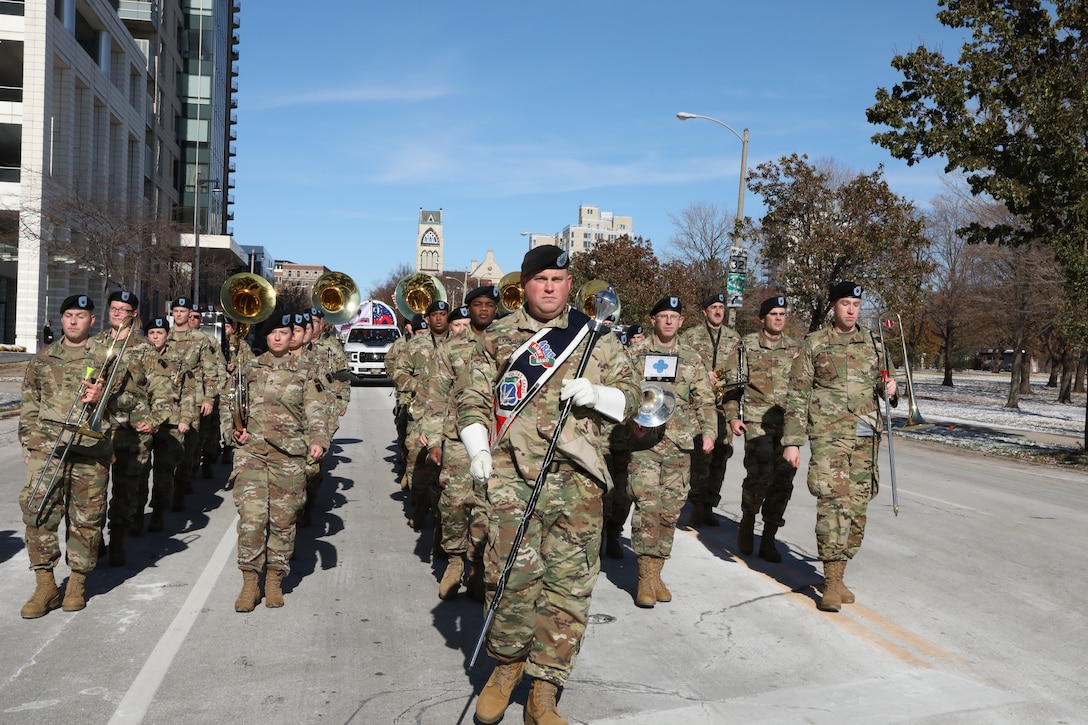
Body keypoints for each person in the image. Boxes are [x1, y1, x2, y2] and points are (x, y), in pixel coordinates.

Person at [457, 245, 638, 724]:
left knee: (568, 591)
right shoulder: (499, 335)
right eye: (541, 280)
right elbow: (472, 397)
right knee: (510, 581)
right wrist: (477, 448)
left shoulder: (595, 335)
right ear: (527, 283)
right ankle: (506, 669)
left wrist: (600, 394)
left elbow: (636, 395)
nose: (550, 288)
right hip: (513, 482)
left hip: (577, 485)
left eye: (559, 279)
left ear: (569, 282)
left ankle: (545, 690)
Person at [17, 295, 139, 617]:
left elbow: (132, 402)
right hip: (49, 448)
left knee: (87, 519)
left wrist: (106, 394)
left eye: (80, 316)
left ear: (93, 321)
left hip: (91, 449)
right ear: (61, 320)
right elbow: (29, 405)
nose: (73, 321)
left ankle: (76, 583)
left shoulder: (108, 357)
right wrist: (30, 446)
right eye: (68, 315)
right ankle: (45, 586)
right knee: (37, 512)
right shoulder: (43, 359)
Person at [782, 282, 898, 612]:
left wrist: (890, 388)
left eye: (856, 304)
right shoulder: (815, 343)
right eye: (845, 303)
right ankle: (830, 581)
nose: (851, 309)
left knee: (858, 508)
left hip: (865, 434)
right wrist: (793, 441)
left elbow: (882, 385)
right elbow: (797, 394)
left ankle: (841, 572)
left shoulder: (874, 344)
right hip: (828, 435)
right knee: (834, 504)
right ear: (833, 306)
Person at [222, 310, 329, 611]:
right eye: (272, 333)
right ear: (265, 337)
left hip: (289, 456)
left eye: (284, 332)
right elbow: (229, 404)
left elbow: (316, 409)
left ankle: (274, 580)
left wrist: (319, 440)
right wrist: (232, 431)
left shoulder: (305, 371)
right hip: (252, 453)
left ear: (292, 336)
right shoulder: (249, 368)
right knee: (253, 518)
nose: (279, 337)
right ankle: (249, 583)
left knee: (283, 522)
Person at [625, 296, 716, 607]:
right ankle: (644, 576)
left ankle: (657, 571)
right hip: (644, 444)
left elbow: (704, 399)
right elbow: (620, 392)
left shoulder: (692, 357)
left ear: (681, 322)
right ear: (653, 320)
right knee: (647, 507)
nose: (667, 321)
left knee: (670, 510)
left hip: (680, 443)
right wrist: (631, 421)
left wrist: (710, 432)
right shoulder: (635, 354)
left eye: (673, 317)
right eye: (662, 316)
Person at [416, 287, 498, 601]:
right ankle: (454, 561)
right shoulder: (450, 349)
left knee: (487, 507)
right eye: (478, 304)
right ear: (469, 308)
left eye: (490, 305)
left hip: (497, 437)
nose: (484, 310)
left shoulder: (506, 344)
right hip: (456, 438)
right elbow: (435, 397)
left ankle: (478, 566)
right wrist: (433, 440)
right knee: (453, 504)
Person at [91, 291, 168, 563]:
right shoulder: (95, 344)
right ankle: (95, 537)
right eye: (113, 308)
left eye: (123, 310)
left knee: (126, 489)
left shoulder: (144, 347)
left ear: (133, 315)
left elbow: (163, 388)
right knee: (93, 488)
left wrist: (155, 419)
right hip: (97, 428)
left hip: (133, 429)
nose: (116, 313)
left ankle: (119, 540)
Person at [724, 295, 801, 563]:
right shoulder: (745, 346)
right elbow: (732, 388)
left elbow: (804, 387)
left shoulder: (796, 349)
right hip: (758, 426)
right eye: (773, 314)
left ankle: (769, 537)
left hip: (788, 427)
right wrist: (733, 417)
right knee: (759, 478)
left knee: (783, 483)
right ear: (762, 318)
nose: (779, 318)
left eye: (782, 314)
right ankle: (747, 520)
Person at [679, 293, 742, 527]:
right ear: (704, 311)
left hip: (724, 405)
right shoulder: (690, 336)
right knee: (700, 456)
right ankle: (695, 503)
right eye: (713, 307)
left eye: (721, 307)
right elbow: (682, 365)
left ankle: (709, 505)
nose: (718, 311)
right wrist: (703, 374)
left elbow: (739, 370)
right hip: (698, 406)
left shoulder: (734, 338)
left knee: (721, 457)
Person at [393, 299, 451, 529]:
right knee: (416, 463)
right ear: (427, 319)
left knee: (443, 468)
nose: (439, 318)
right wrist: (416, 385)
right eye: (434, 315)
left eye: (443, 314)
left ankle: (440, 517)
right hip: (419, 412)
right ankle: (419, 505)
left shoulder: (458, 344)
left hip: (448, 414)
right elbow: (398, 372)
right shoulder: (415, 344)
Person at [138, 316, 198, 533]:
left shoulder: (178, 361)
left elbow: (189, 392)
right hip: (143, 422)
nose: (155, 337)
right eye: (152, 333)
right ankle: (136, 513)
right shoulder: (139, 359)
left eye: (159, 333)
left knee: (164, 472)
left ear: (168, 335)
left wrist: (185, 419)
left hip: (170, 424)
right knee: (140, 470)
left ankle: (158, 513)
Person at [167, 297, 221, 511]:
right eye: (176, 311)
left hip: (194, 399)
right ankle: (168, 488)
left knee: (189, 447)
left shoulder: (201, 339)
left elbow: (210, 371)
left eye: (184, 311)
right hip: (167, 399)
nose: (180, 315)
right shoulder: (164, 336)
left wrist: (209, 399)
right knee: (169, 445)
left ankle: (181, 487)